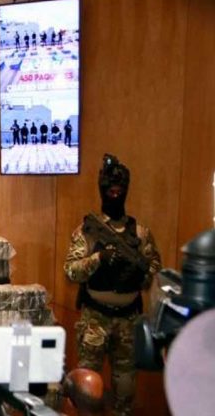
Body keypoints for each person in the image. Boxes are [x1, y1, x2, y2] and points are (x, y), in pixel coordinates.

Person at [64, 154, 162, 416]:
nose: (115, 194)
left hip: (128, 320)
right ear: (102, 190)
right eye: (111, 190)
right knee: (86, 390)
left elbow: (154, 265)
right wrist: (98, 259)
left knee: (126, 390)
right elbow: (71, 271)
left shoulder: (140, 233)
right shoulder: (88, 231)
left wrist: (142, 275)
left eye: (120, 190)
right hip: (94, 319)